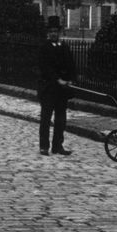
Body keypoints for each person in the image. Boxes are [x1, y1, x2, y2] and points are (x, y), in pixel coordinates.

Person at [38, 16, 76, 156]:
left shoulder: (65, 47)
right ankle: (44, 146)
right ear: (48, 33)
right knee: (46, 119)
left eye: (56, 31)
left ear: (59, 32)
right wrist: (57, 79)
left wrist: (71, 79)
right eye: (51, 31)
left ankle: (57, 146)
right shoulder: (44, 48)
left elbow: (72, 65)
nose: (54, 33)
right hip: (48, 89)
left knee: (61, 119)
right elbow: (45, 68)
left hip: (62, 91)